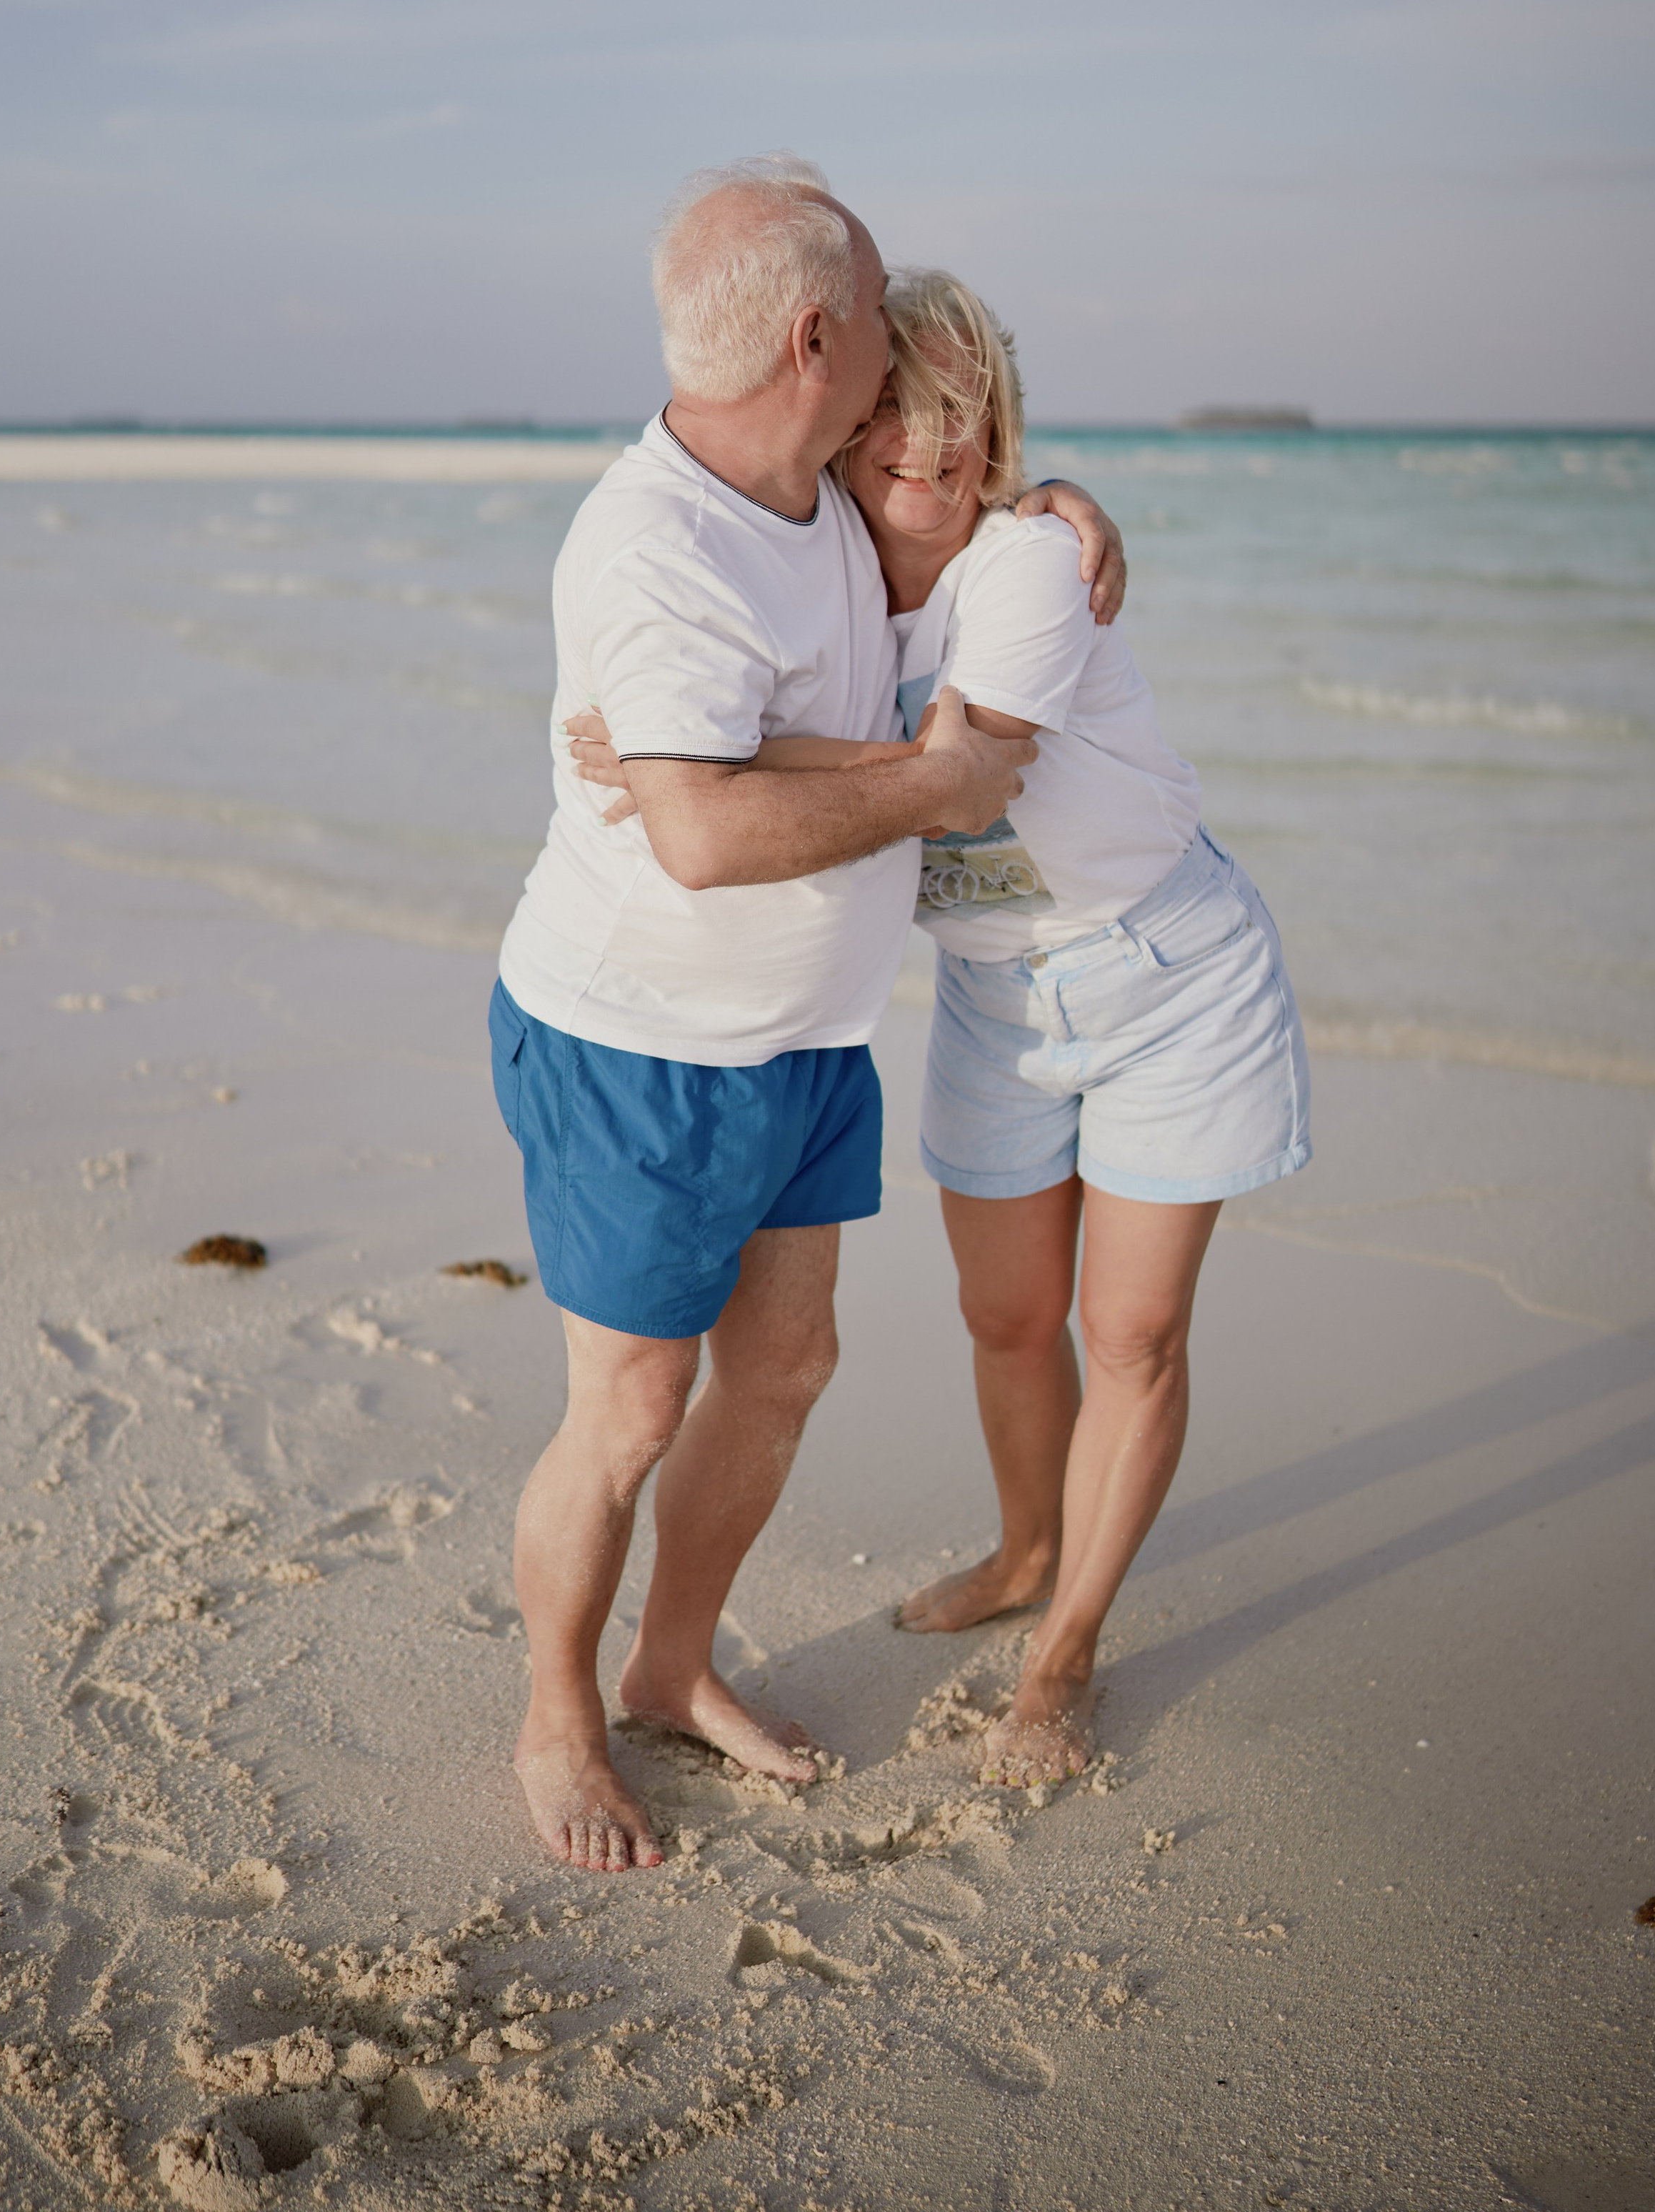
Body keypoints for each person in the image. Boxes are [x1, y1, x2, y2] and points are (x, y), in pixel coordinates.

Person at [573, 268, 1310, 1789]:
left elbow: (961, 768)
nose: (931, 459)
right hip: (994, 997)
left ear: (1002, 439)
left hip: (1165, 975)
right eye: (898, 422)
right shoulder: (824, 564)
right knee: (999, 1319)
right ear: (844, 425)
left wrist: (688, 750)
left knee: (1129, 1334)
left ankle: (1062, 1655)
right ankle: (1025, 1546)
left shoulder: (1030, 564)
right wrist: (684, 741)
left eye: (968, 433)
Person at [491, 161, 1124, 1870]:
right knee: (628, 1408)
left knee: (780, 1371)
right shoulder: (661, 544)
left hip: (801, 1043)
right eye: (869, 315)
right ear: (815, 336)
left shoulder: (819, 491)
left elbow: (955, 517)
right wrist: (937, 789)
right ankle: (555, 1716)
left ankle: (667, 1667)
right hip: (640, 1045)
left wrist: (1059, 503)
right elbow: (696, 833)